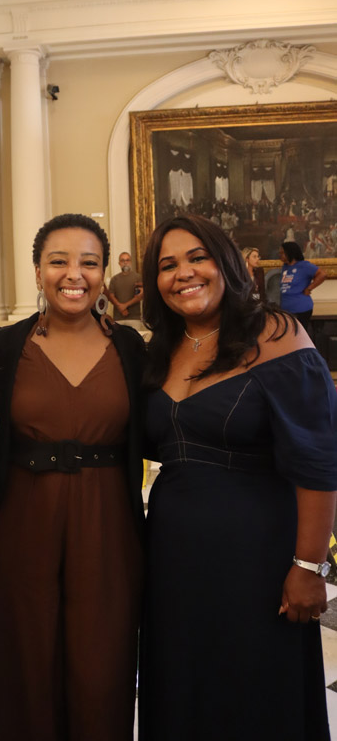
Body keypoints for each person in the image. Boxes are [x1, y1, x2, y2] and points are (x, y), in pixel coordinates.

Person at [139, 214, 337, 741]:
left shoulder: (275, 334)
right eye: (167, 265)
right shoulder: (160, 348)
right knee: (184, 680)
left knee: (254, 685)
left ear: (225, 262)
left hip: (257, 556)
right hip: (174, 555)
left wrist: (308, 566)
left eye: (197, 257)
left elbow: (319, 463)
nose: (184, 272)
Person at [0, 213, 145, 741]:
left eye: (88, 262)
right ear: (37, 271)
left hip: (109, 521)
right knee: (24, 655)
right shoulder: (2, 347)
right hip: (21, 519)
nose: (74, 274)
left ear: (104, 273)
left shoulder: (131, 347)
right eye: (58, 261)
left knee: (103, 660)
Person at [279, 240, 326, 330]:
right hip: (286, 309)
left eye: (282, 253)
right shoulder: (285, 267)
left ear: (290, 253)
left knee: (299, 335)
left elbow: (322, 274)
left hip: (301, 309)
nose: (280, 255)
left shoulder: (304, 266)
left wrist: (309, 288)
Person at [105, 251, 143, 327]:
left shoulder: (138, 277)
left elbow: (140, 296)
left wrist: (125, 306)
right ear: (119, 263)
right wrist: (120, 307)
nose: (125, 263)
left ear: (131, 262)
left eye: (127, 260)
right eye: (122, 260)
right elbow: (111, 296)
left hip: (134, 318)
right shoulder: (114, 279)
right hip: (118, 318)